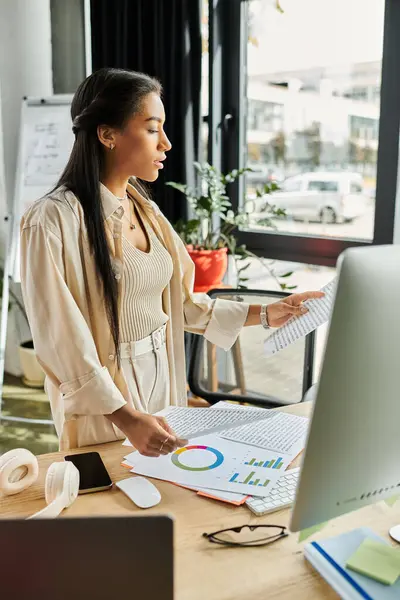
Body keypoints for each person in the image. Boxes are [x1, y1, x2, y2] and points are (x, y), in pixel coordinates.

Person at [20, 68, 323, 457]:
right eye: (152, 128)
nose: (166, 143)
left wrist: (267, 312)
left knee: (165, 495)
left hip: (163, 375)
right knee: (114, 503)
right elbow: (61, 339)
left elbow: (181, 306)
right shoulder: (52, 220)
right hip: (106, 400)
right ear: (107, 134)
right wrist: (126, 417)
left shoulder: (146, 211)